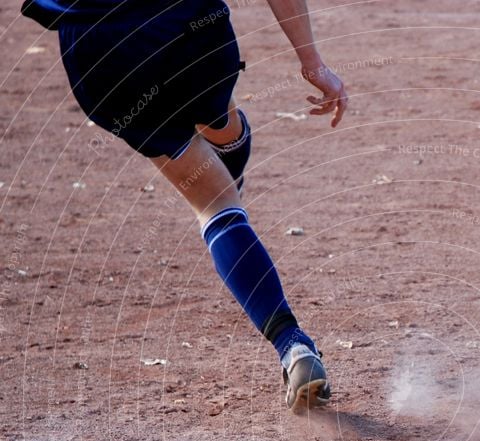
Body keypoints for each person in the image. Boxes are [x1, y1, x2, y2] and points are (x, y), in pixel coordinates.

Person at [21, 0, 348, 412]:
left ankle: (292, 347)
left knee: (213, 200)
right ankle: (227, 154)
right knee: (217, 142)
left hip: (97, 49)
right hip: (189, 27)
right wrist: (312, 62)